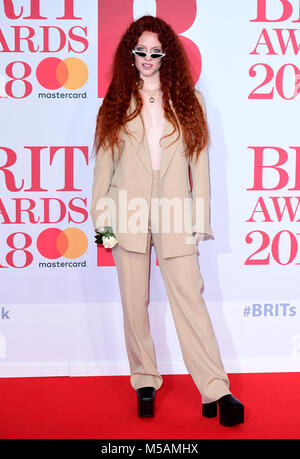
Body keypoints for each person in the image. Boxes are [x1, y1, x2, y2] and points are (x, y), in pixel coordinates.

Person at [90, 15, 244, 426]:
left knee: (190, 301)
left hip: (176, 212)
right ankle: (144, 380)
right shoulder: (117, 100)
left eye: (155, 52)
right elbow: (103, 168)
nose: (147, 58)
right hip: (127, 213)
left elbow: (201, 164)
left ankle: (216, 387)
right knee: (133, 305)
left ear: (167, 55)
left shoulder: (189, 100)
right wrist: (101, 221)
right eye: (140, 51)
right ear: (130, 52)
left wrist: (199, 218)